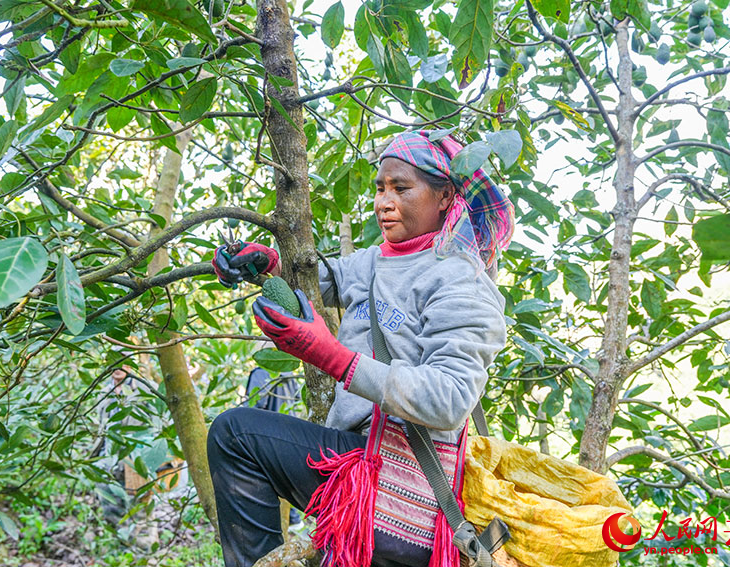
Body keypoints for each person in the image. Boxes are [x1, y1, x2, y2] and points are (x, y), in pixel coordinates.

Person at [207, 131, 514, 567]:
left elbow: (449, 398)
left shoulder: (461, 281)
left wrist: (332, 357)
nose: (384, 201)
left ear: (445, 196)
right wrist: (268, 265)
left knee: (236, 436)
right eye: (380, 188)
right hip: (353, 464)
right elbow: (321, 281)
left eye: (401, 188)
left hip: (400, 491)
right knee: (237, 437)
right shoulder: (377, 260)